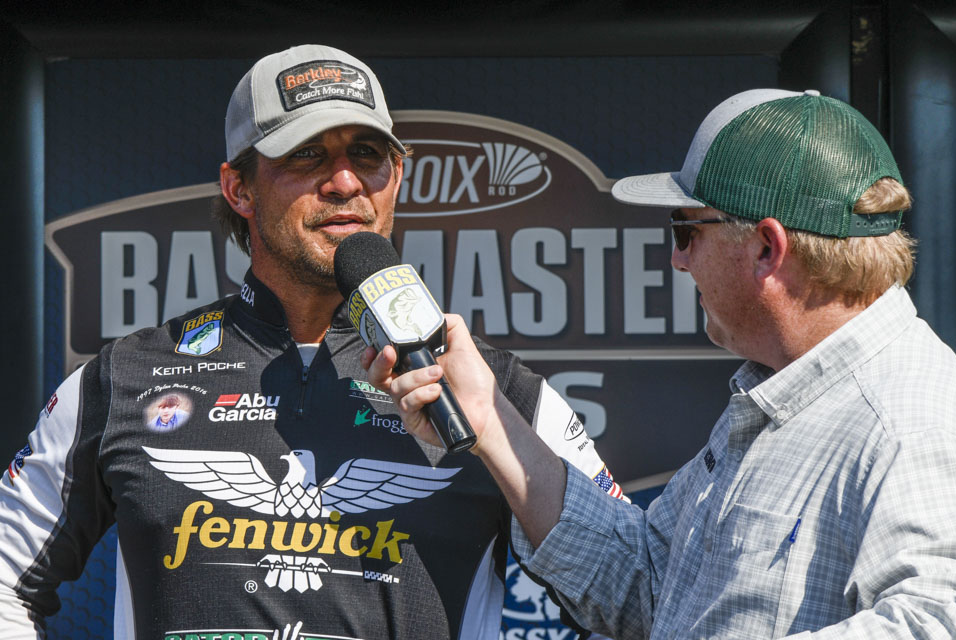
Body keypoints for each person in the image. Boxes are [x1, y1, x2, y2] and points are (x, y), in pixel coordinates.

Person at [0, 45, 626, 639]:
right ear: (239, 189)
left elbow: (632, 595)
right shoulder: (124, 377)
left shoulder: (494, 395)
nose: (345, 182)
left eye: (367, 154)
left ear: (397, 176)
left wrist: (493, 432)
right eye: (306, 155)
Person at [367, 89, 956, 639]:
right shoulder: (782, 391)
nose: (678, 260)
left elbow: (935, 622)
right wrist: (492, 422)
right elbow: (645, 579)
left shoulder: (911, 414)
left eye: (686, 229)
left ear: (766, 247)